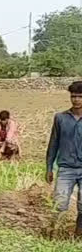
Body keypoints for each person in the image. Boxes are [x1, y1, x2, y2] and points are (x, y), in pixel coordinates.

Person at [45, 81, 82, 237]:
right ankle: (54, 234)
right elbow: (53, 144)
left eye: (80, 97)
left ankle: (79, 234)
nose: (76, 100)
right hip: (65, 168)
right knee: (59, 203)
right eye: (73, 96)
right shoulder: (60, 118)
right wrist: (49, 167)